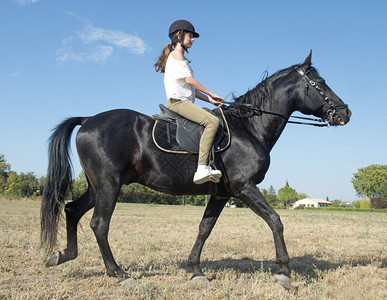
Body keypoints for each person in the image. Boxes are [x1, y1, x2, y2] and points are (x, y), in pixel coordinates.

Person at [154, 20, 224, 184]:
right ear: (179, 36)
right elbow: (190, 80)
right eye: (190, 36)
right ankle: (201, 168)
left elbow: (190, 88)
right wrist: (211, 92)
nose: (192, 40)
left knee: (211, 116)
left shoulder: (179, 57)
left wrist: (210, 99)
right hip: (178, 103)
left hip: (184, 102)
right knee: (213, 122)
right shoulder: (177, 55)